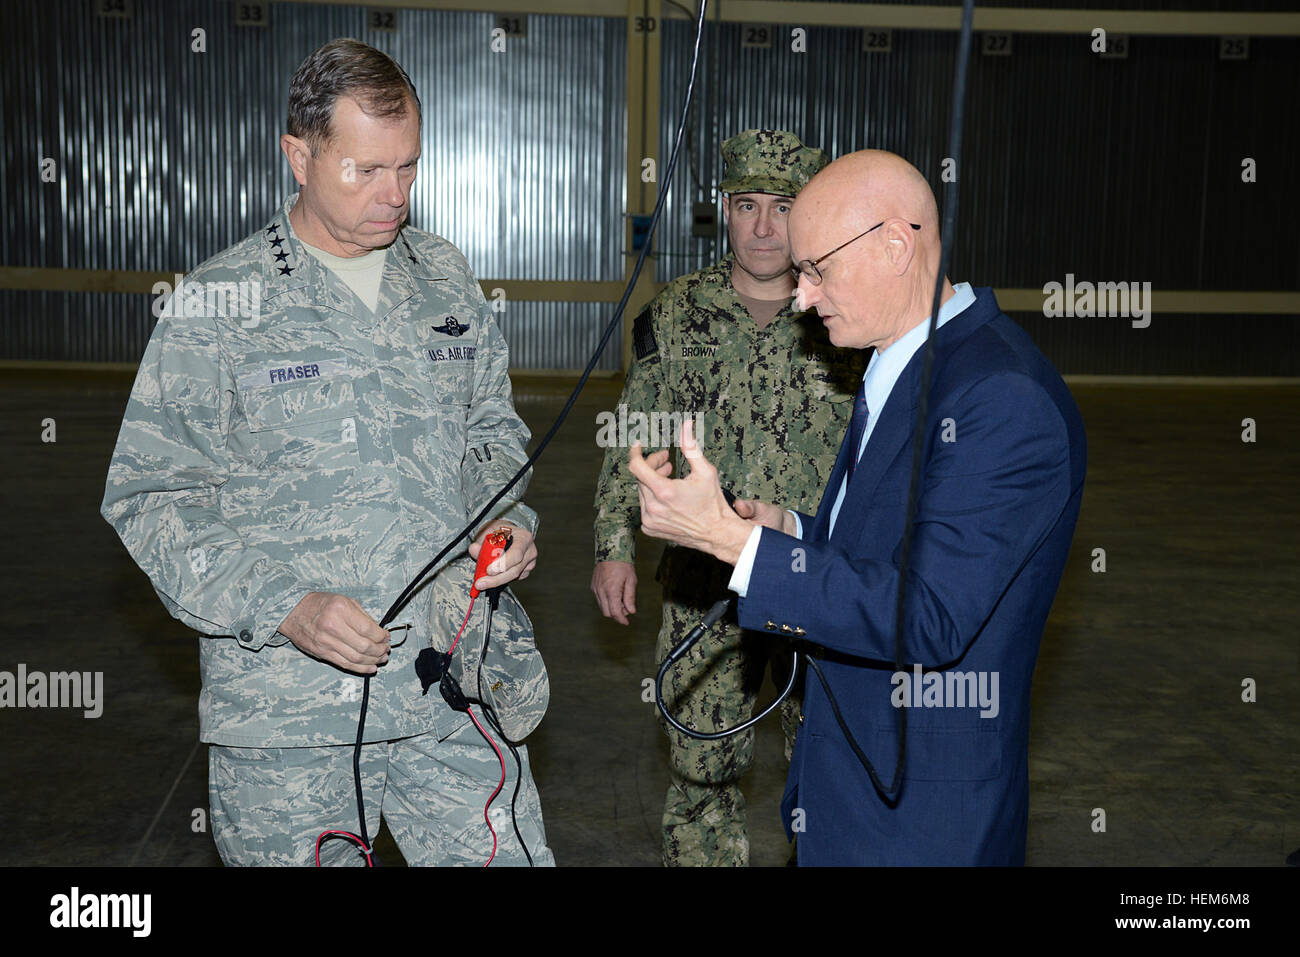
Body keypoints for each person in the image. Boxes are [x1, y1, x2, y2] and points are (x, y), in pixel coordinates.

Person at [101, 38, 553, 867]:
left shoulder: (444, 278)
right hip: (293, 717)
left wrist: (509, 520)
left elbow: (493, 433)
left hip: (454, 686)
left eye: (409, 169)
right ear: (299, 155)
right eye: (366, 171)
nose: (395, 197)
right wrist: (286, 605)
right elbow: (150, 497)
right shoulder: (221, 302)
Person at [628, 149, 1087, 865]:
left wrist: (735, 545)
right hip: (850, 789)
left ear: (896, 246)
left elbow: (929, 615)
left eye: (816, 269)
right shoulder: (900, 363)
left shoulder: (1001, 398)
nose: (803, 296)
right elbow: (882, 547)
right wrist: (786, 529)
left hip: (919, 824)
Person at [592, 130, 864, 866]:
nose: (765, 227)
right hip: (704, 581)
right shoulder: (676, 313)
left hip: (821, 580)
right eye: (748, 206)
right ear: (724, 211)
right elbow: (638, 431)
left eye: (783, 208)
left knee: (837, 768)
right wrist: (614, 546)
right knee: (700, 766)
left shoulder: (846, 317)